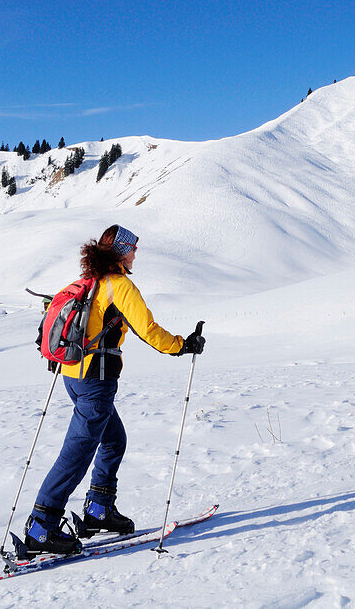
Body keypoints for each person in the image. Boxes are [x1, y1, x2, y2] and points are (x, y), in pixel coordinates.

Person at [23, 224, 205, 555]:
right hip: (96, 380)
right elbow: (147, 329)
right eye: (133, 248)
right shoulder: (119, 285)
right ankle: (41, 525)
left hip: (73, 375)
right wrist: (183, 345)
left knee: (113, 440)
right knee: (77, 451)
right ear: (120, 251)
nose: (136, 253)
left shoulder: (89, 282)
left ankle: (98, 510)